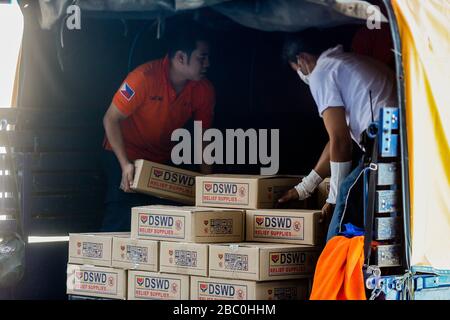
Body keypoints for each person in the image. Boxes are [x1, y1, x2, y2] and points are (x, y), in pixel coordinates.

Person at [278, 29, 396, 241]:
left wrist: (332, 199)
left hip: (384, 137)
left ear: (302, 59)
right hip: (393, 135)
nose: (301, 75)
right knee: (351, 195)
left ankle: (329, 268)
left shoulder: (321, 73)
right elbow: (335, 139)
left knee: (345, 196)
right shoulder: (343, 64)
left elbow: (341, 142)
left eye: (297, 69)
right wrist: (305, 188)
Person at [101, 27, 215, 231]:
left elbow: (203, 136)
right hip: (124, 156)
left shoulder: (203, 90)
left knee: (165, 222)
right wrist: (125, 164)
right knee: (122, 217)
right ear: (181, 57)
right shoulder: (143, 78)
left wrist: (206, 181)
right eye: (202, 58)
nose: (208, 64)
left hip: (160, 161)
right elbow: (110, 119)